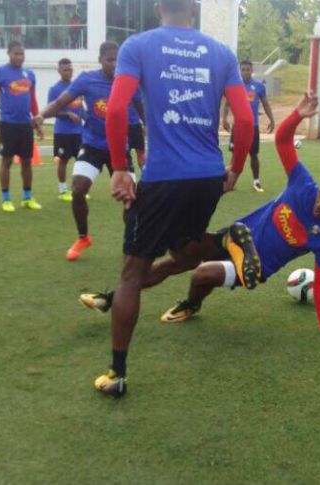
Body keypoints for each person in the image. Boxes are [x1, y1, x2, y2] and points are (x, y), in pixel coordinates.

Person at [82, 92, 320, 341]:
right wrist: (297, 115)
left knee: (201, 274)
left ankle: (191, 304)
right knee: (175, 260)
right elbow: (283, 140)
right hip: (234, 237)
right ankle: (111, 299)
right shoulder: (303, 185)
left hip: (253, 266)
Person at [94, 0, 254, 397]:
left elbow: (116, 110)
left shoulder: (138, 46)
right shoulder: (221, 53)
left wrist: (118, 167)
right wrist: (235, 168)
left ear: (156, 7)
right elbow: (245, 119)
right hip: (208, 175)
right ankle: (221, 244)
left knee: (132, 272)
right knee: (182, 248)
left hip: (165, 176)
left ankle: (116, 374)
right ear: (195, 11)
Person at [34, 41, 143, 262]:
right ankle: (83, 237)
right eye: (110, 59)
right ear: (100, 60)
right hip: (92, 144)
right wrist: (41, 115)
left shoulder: (131, 83)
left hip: (119, 149)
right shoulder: (87, 79)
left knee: (130, 199)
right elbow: (59, 101)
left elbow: (145, 114)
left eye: (118, 60)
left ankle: (130, 246)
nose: (114, 64)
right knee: (78, 189)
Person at [0, 40, 45, 212]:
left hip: (25, 125)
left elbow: (33, 100)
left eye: (22, 54)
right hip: (8, 124)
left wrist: (37, 121)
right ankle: (6, 199)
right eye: (16, 53)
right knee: (7, 161)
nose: (19, 57)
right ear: (8, 53)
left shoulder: (29, 74)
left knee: (27, 161)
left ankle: (27, 197)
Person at [221, 59, 275, 192]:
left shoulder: (258, 86)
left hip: (253, 127)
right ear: (240, 71)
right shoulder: (235, 86)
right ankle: (230, 181)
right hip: (238, 127)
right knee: (235, 154)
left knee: (254, 154)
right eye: (243, 69)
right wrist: (224, 119)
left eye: (248, 69)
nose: (245, 72)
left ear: (252, 71)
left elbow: (266, 104)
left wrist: (272, 120)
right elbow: (227, 104)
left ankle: (256, 181)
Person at [46, 58, 83, 202]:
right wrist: (67, 114)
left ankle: (78, 189)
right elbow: (50, 111)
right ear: (59, 71)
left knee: (81, 162)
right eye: (65, 69)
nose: (68, 72)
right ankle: (62, 190)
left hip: (79, 132)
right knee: (63, 160)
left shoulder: (77, 87)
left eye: (70, 69)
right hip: (63, 132)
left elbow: (81, 107)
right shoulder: (55, 89)